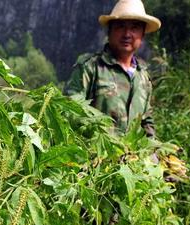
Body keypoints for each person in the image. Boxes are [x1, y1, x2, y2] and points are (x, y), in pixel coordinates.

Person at [64, 0, 161, 138]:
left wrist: (152, 153)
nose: (127, 34)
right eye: (120, 26)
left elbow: (146, 122)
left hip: (131, 157)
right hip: (94, 155)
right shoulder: (90, 67)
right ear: (109, 31)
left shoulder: (143, 77)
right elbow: (70, 109)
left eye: (134, 28)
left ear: (142, 34)